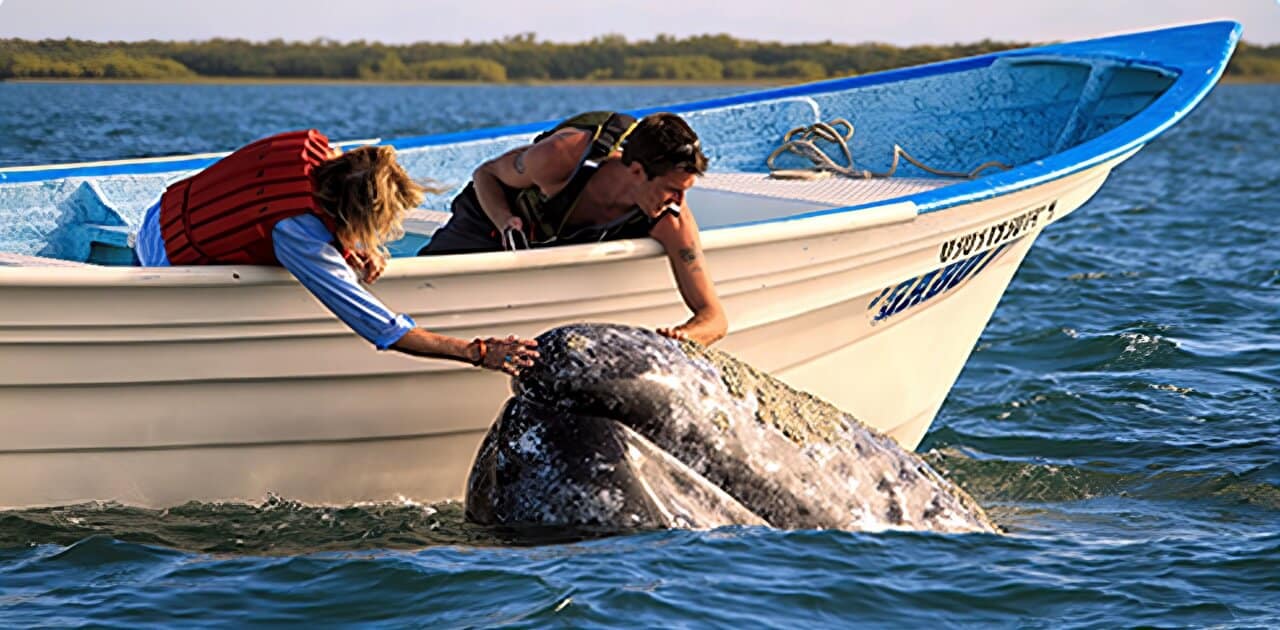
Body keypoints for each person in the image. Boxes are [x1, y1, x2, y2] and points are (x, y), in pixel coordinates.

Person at [134, 129, 538, 374]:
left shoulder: (313, 152)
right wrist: (478, 352)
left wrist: (349, 245)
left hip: (159, 213)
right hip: (169, 260)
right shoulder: (299, 234)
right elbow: (383, 328)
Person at [421, 111, 728, 346]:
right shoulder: (561, 156)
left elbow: (713, 317)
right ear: (636, 171)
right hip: (488, 220)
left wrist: (682, 339)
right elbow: (485, 174)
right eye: (672, 189)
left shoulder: (671, 219)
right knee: (424, 286)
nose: (679, 201)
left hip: (548, 246)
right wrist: (504, 221)